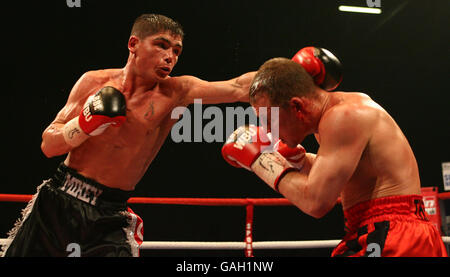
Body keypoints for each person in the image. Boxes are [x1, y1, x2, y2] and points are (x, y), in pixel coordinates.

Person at [1, 14, 256, 257]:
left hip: (110, 216)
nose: (170, 57)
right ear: (133, 44)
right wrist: (83, 124)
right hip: (57, 200)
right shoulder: (94, 82)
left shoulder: (177, 92)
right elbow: (48, 145)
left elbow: (239, 87)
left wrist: (292, 74)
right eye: (162, 45)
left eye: (176, 51)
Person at [222, 56, 448, 257]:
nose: (268, 131)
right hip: (379, 231)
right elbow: (339, 176)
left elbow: (315, 202)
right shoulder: (338, 115)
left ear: (297, 107)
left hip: (394, 235)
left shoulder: (344, 116)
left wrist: (261, 160)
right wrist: (298, 160)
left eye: (270, 119)